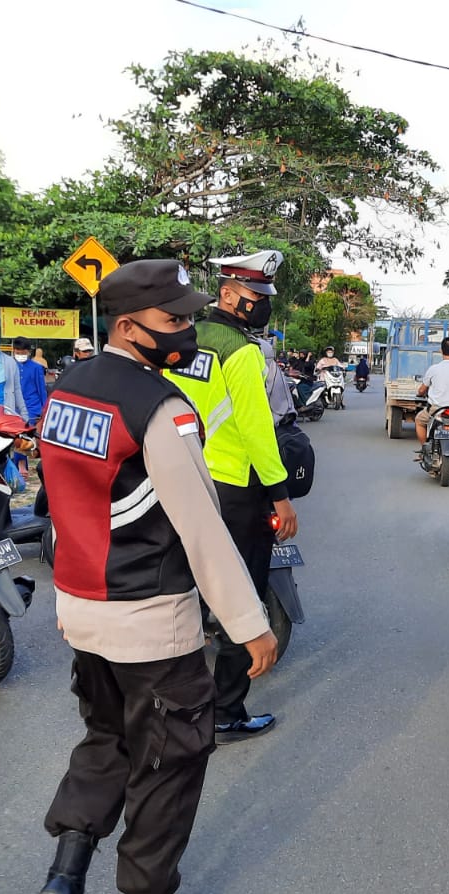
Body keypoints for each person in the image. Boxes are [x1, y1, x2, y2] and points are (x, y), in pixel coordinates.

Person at [35, 259, 276, 894]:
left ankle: (65, 875)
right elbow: (201, 528)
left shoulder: (67, 386)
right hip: (150, 620)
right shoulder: (161, 407)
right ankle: (145, 889)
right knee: (171, 761)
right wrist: (249, 625)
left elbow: (58, 497)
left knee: (106, 736)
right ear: (128, 325)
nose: (186, 330)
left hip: (82, 606)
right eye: (174, 320)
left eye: (189, 317)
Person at [162, 249, 293, 743]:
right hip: (236, 488)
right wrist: (280, 496)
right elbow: (257, 430)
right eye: (253, 297)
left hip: (183, 476)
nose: (260, 305)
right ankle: (225, 711)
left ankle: (170, 702)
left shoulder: (186, 338)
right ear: (228, 293)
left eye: (263, 297)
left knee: (183, 592)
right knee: (243, 596)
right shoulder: (241, 350)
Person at [13, 336, 49, 423]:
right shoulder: (8, 366)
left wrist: (45, 410)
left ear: (29, 352)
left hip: (32, 408)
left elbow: (41, 390)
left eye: (23, 353)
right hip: (13, 408)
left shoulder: (36, 368)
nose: (21, 356)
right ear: (14, 351)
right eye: (18, 353)